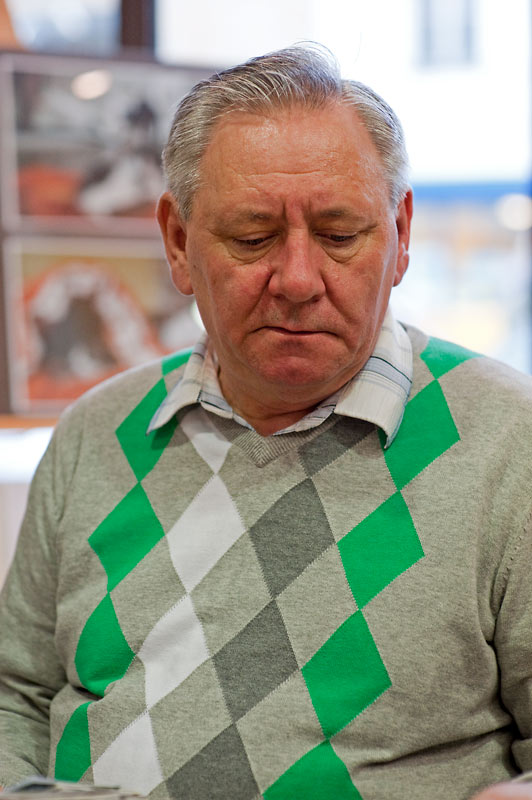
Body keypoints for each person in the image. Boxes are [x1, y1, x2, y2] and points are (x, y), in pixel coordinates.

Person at [0, 45, 531, 800]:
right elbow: (16, 693)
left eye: (341, 234)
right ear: (178, 242)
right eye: (252, 237)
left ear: (401, 233)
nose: (299, 280)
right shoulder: (98, 432)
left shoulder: (510, 443)